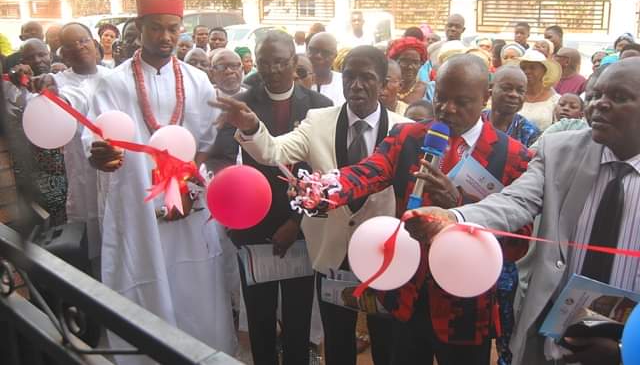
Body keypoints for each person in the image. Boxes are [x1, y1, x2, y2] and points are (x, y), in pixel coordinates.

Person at [288, 54, 532, 365]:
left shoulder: (513, 157)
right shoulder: (409, 136)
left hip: (466, 309)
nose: (447, 109)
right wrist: (324, 188)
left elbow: (519, 241)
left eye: (462, 101)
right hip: (405, 297)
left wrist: (458, 206)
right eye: (441, 98)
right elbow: (368, 172)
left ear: (485, 97)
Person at [404, 56, 640, 365]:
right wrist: (454, 218)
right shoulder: (558, 150)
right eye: (594, 95)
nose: (599, 105)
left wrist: (626, 349)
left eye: (619, 97)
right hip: (557, 338)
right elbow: (516, 200)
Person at [218, 45, 409, 365]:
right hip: (332, 252)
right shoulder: (318, 120)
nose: (357, 85)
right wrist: (251, 127)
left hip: (383, 257)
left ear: (383, 82)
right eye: (349, 77)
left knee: (385, 343)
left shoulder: (405, 129)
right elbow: (274, 153)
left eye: (367, 78)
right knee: (337, 343)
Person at [86, 0, 235, 362]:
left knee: (197, 285)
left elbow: (205, 138)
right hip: (137, 203)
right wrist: (102, 154)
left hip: (189, 202)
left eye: (173, 29)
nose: (166, 37)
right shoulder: (114, 83)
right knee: (143, 276)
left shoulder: (197, 79)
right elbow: (97, 141)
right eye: (156, 28)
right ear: (139, 29)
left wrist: (182, 184)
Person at [211, 30, 332, 365]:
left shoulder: (320, 107)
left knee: (297, 321)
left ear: (294, 63)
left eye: (280, 62)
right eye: (264, 62)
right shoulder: (243, 104)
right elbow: (222, 157)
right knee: (260, 320)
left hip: (302, 231)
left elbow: (324, 172)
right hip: (252, 229)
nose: (272, 69)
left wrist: (296, 222)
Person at [54, 22, 112, 268]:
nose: (79, 47)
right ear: (64, 54)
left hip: (115, 172)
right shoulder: (56, 83)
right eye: (70, 45)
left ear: (95, 44)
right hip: (83, 175)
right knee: (92, 250)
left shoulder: (114, 77)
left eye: (83, 40)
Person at [5, 39, 68, 226]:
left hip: (68, 171)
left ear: (50, 55)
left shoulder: (63, 78)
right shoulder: (17, 87)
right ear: (23, 60)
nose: (38, 60)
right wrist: (16, 81)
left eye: (42, 54)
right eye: (31, 57)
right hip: (38, 175)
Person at [482, 66, 541, 147]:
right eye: (507, 88)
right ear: (490, 88)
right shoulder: (475, 122)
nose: (514, 94)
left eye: (520, 91)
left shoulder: (530, 133)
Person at [518, 49, 561, 131]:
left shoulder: (555, 100)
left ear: (544, 71)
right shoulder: (514, 96)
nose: (527, 71)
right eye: (523, 68)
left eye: (532, 68)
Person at [308, 32, 344, 105]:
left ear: (335, 56)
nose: (318, 56)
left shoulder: (344, 83)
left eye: (325, 52)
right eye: (313, 50)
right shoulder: (296, 81)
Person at [388, 36, 427, 105]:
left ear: (421, 64)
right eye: (404, 61)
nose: (410, 67)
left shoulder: (429, 90)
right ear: (394, 61)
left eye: (415, 62)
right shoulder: (386, 89)